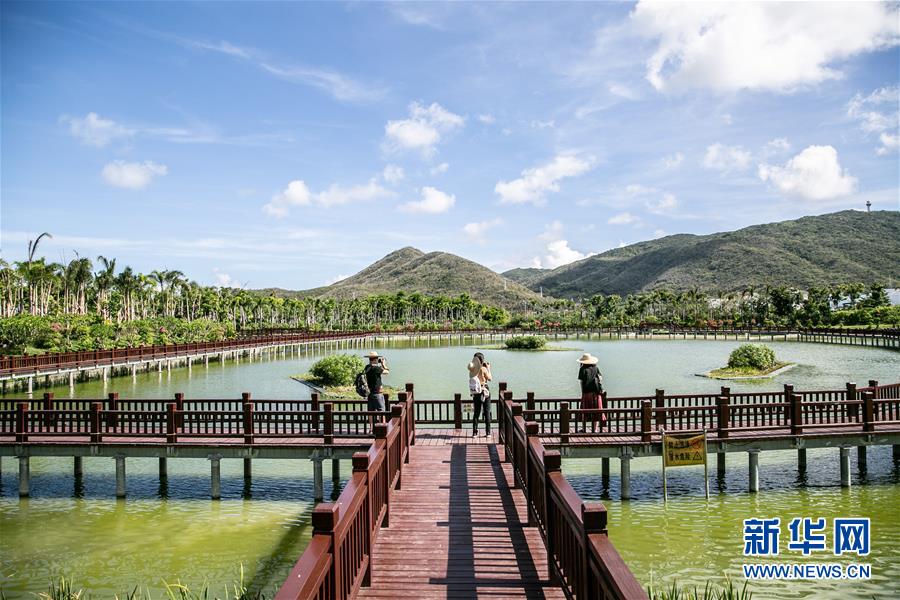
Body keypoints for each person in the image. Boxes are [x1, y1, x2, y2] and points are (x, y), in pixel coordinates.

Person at [577, 353, 605, 433]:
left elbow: (581, 382)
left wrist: (583, 392)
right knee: (596, 411)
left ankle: (584, 429)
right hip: (596, 393)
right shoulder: (596, 368)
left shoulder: (582, 369)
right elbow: (600, 378)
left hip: (586, 393)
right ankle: (595, 429)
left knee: (584, 411)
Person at [468, 352, 493, 437]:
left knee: (476, 412)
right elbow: (490, 378)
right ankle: (488, 432)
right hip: (485, 391)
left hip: (476, 392)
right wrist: (488, 368)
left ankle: (474, 433)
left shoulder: (472, 370)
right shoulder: (483, 369)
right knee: (487, 412)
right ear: (482, 360)